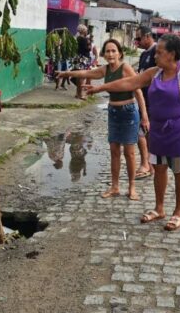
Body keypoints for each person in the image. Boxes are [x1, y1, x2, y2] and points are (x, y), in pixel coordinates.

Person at [84, 34, 180, 231]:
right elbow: (129, 83)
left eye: (159, 52)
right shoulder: (154, 73)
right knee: (159, 168)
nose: (155, 56)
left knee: (179, 171)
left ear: (171, 54)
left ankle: (178, 212)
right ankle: (159, 208)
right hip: (158, 130)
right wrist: (100, 88)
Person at [57, 39, 149, 200]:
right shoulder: (105, 70)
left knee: (129, 153)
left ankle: (132, 187)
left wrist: (145, 117)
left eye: (114, 51)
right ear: (104, 54)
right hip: (113, 112)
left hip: (128, 113)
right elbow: (86, 73)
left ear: (120, 53)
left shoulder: (125, 68)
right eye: (107, 51)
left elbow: (138, 91)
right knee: (114, 152)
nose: (111, 54)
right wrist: (66, 73)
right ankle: (114, 187)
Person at [134, 26, 156, 180]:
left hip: (153, 102)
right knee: (144, 133)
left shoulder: (156, 53)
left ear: (148, 36)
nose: (137, 42)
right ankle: (149, 164)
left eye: (139, 38)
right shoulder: (143, 55)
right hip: (143, 100)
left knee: (142, 133)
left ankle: (146, 164)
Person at [74, 24, 92, 99]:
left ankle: (77, 93)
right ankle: (80, 94)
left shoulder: (77, 38)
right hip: (84, 58)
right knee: (82, 77)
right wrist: (89, 44)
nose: (86, 31)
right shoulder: (84, 39)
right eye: (86, 30)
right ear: (83, 30)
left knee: (79, 76)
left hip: (78, 57)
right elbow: (88, 49)